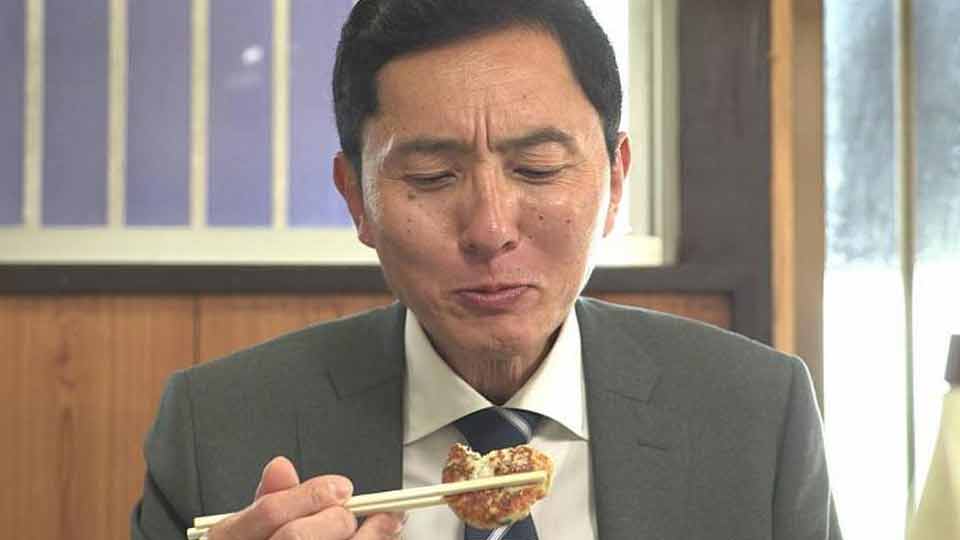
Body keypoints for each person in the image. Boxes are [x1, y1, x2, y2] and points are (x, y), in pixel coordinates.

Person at [132, 1, 842, 539]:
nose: (491, 230)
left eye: (538, 167)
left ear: (616, 180)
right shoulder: (216, 429)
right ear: (357, 199)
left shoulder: (753, 413)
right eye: (432, 176)